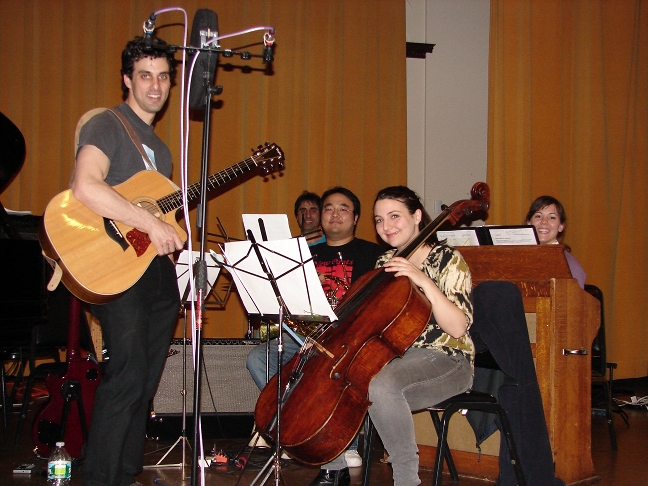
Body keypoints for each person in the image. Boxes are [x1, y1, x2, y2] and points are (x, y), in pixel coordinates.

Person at [71, 36, 184, 486]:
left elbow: (156, 211)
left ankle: (124, 471)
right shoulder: (107, 124)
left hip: (154, 269)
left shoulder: (162, 149)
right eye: (145, 76)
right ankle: (99, 477)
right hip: (115, 265)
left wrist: (167, 228)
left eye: (163, 76)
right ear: (127, 80)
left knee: (146, 378)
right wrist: (148, 221)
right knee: (128, 375)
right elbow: (85, 186)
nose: (155, 86)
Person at [309, 185, 475, 486]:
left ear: (416, 216)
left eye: (394, 216)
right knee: (336, 378)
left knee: (382, 384)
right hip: (394, 357)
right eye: (378, 219)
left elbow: (457, 328)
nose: (386, 226)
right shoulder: (382, 263)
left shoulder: (447, 259)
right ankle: (333, 469)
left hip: (447, 359)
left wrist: (421, 278)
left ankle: (406, 480)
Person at [246, 186, 383, 474]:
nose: (335, 214)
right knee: (258, 358)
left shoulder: (374, 254)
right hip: (305, 336)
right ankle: (295, 429)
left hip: (348, 340)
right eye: (328, 208)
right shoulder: (303, 255)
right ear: (320, 217)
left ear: (356, 217)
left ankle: (347, 441)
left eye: (343, 208)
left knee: (336, 371)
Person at [525, 195, 586, 288]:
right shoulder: (514, 259)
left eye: (552, 217)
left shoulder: (569, 264)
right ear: (529, 223)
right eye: (538, 216)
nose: (544, 221)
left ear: (561, 226)